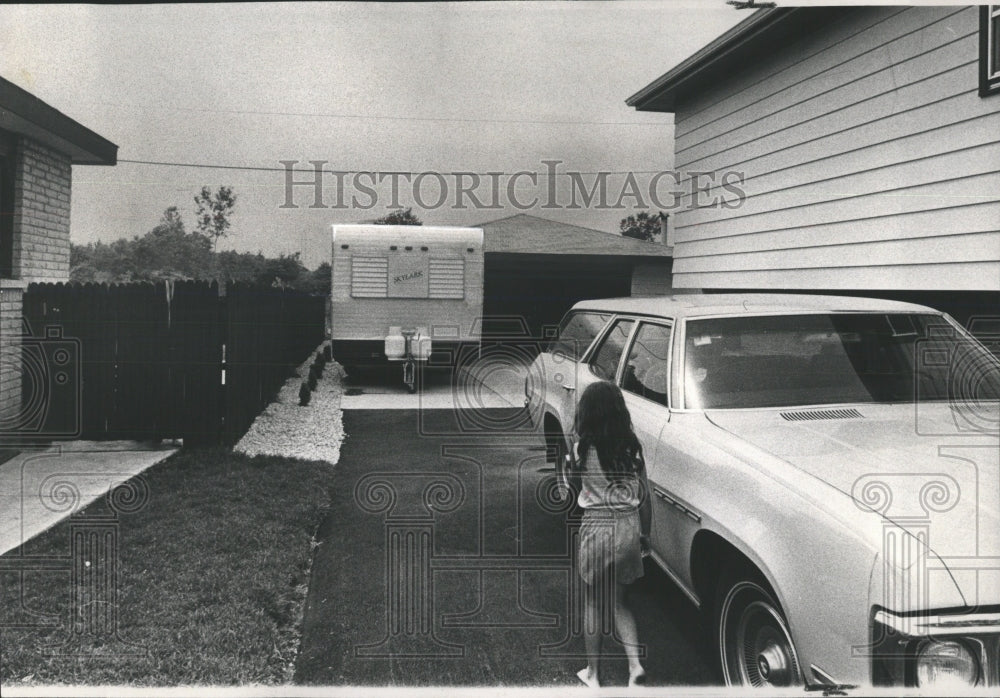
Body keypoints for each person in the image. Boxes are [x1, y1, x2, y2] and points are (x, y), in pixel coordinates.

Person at [569, 380, 652, 688]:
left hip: (596, 525)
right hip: (628, 525)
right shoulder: (632, 447)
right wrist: (646, 535)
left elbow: (579, 488)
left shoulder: (582, 447)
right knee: (621, 602)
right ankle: (634, 666)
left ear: (587, 413)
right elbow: (645, 497)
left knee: (592, 602)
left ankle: (593, 674)